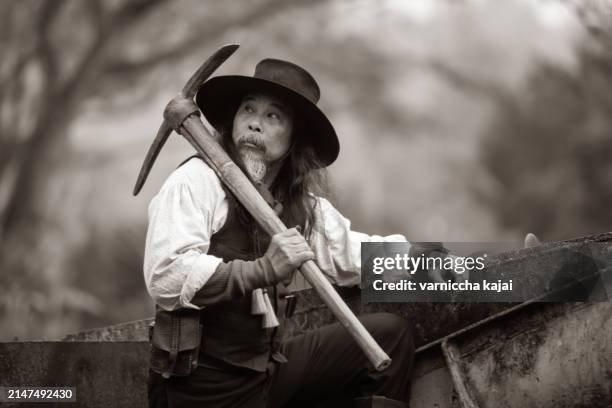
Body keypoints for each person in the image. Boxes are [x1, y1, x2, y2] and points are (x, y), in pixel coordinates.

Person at [144, 58, 429, 408]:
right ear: (233, 119)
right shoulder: (195, 183)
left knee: (390, 334)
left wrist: (454, 264)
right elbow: (166, 275)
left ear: (294, 139)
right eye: (248, 109)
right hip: (203, 391)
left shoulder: (297, 205)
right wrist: (263, 269)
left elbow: (352, 255)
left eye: (272, 116)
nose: (254, 124)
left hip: (264, 375)